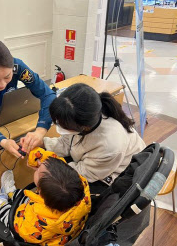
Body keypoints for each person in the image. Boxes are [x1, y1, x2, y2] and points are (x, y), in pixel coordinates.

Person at [41, 83, 148, 245]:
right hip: (97, 164)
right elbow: (66, 142)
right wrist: (42, 143)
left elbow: (84, 173)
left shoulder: (110, 143)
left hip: (115, 178)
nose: (59, 128)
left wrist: (47, 168)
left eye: (64, 126)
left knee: (60, 194)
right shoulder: (85, 115)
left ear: (84, 127)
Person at [0, 149, 91, 246]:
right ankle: (12, 194)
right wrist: (37, 156)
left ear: (40, 192)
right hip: (66, 219)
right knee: (28, 198)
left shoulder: (36, 225)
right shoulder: (79, 183)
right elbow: (57, 162)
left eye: (38, 171)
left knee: (13, 220)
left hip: (34, 231)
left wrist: (4, 210)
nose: (38, 166)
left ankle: (1, 204)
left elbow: (20, 230)